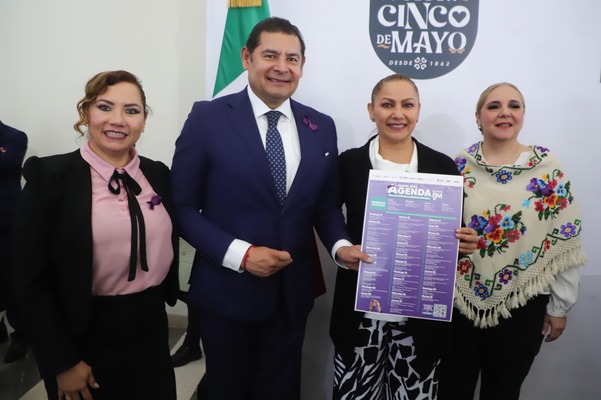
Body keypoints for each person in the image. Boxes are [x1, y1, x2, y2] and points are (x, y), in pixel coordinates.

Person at [171, 17, 370, 400]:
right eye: (270, 55)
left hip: (291, 296)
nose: (282, 67)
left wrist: (341, 246)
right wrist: (242, 255)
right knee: (227, 391)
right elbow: (183, 207)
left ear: (302, 65)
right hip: (226, 293)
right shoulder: (208, 118)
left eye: (292, 58)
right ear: (247, 57)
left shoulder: (320, 126)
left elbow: (325, 205)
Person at [12, 70, 179, 400]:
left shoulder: (157, 173)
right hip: (82, 330)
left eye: (131, 110)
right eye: (105, 107)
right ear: (86, 112)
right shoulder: (50, 177)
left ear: (144, 120)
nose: (118, 120)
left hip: (151, 325)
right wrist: (61, 361)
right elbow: (28, 279)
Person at [330, 74, 478, 400]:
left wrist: (463, 244)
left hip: (420, 321)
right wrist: (341, 249)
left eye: (407, 105)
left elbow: (452, 232)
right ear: (371, 110)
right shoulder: (349, 163)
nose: (398, 114)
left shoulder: (442, 165)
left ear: (418, 110)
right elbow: (328, 213)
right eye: (387, 105)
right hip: (360, 314)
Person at [438, 83, 586, 400]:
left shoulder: (547, 168)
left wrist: (560, 306)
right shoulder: (456, 166)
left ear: (522, 115)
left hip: (522, 301)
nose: (504, 112)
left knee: (503, 391)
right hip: (458, 301)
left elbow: (564, 238)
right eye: (494, 106)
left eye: (514, 106)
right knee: (452, 389)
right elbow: (438, 230)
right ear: (478, 117)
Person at [0, 120, 29, 363]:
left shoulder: (15, 136)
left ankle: (22, 334)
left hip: (7, 223)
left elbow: (8, 163)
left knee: (13, 281)